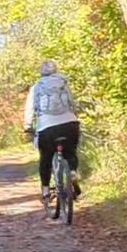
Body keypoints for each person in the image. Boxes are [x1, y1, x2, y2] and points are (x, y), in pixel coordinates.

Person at [24, 61, 81, 203]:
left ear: (41, 72)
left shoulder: (36, 87)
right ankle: (72, 172)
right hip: (70, 124)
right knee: (70, 152)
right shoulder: (63, 83)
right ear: (56, 71)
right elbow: (72, 103)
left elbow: (29, 109)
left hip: (47, 127)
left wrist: (27, 126)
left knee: (46, 159)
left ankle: (45, 191)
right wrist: (73, 117)